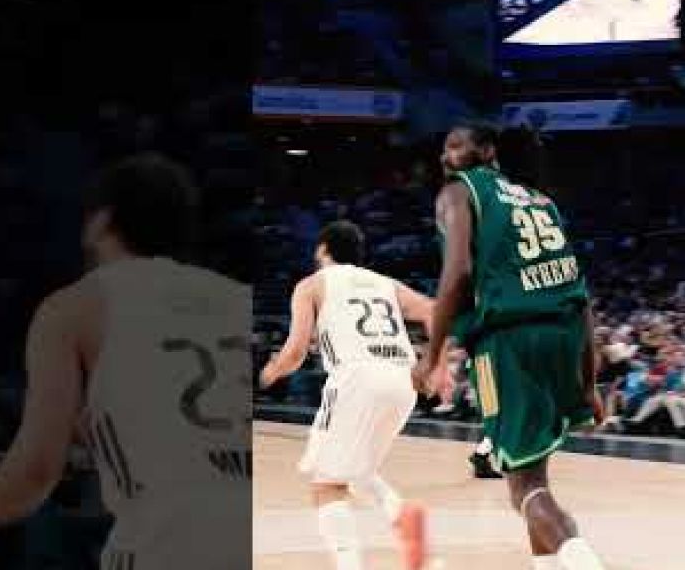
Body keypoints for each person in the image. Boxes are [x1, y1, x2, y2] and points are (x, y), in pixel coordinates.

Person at [0, 153, 252, 570]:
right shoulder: (238, 298)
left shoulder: (76, 306)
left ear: (100, 221)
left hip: (167, 546)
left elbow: (36, 472)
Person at [413, 121, 607, 570]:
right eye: (444, 148)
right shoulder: (541, 201)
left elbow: (458, 273)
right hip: (563, 335)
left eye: (455, 146)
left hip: (509, 342)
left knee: (525, 490)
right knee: (537, 478)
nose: (445, 156)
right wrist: (588, 383)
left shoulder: (459, 191)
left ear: (487, 151)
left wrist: (432, 355)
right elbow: (580, 297)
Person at [259, 220, 443, 570]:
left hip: (357, 379)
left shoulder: (312, 285)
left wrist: (270, 372)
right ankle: (402, 516)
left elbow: (295, 353)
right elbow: (433, 310)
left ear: (323, 249)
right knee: (358, 470)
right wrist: (435, 365)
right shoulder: (385, 283)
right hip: (402, 382)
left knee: (327, 483)